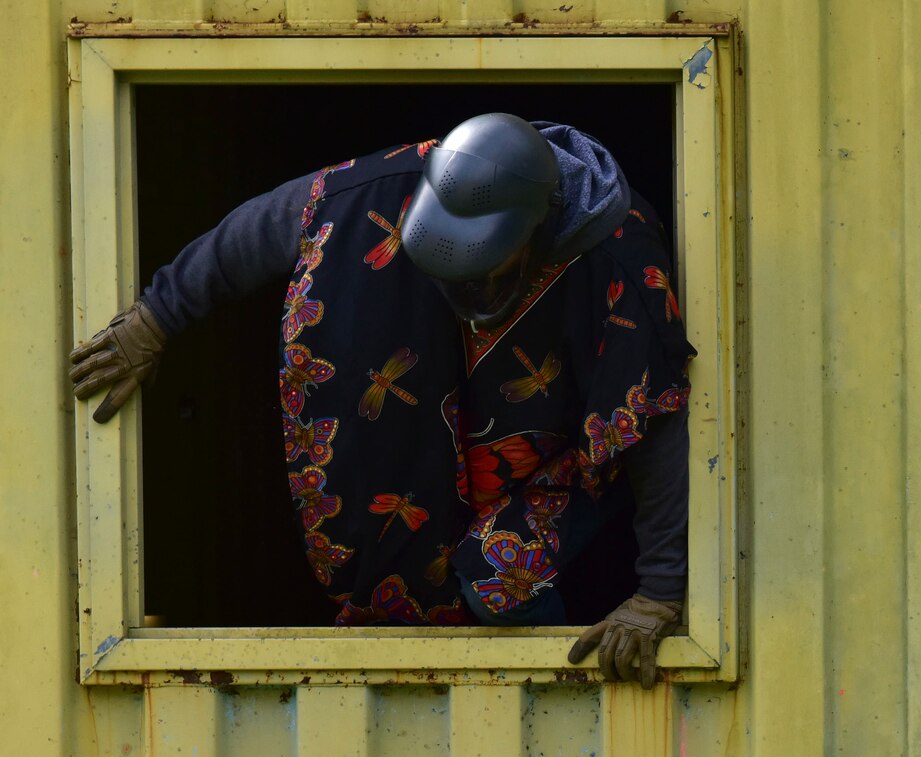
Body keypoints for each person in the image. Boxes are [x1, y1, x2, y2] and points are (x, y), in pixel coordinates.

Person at [70, 113, 692, 685]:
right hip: (436, 435)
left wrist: (658, 591)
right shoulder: (378, 188)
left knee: (496, 581)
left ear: (530, 234)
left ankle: (558, 686)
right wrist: (155, 318)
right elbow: (252, 234)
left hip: (564, 453)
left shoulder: (620, 257)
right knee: (389, 557)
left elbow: (654, 417)